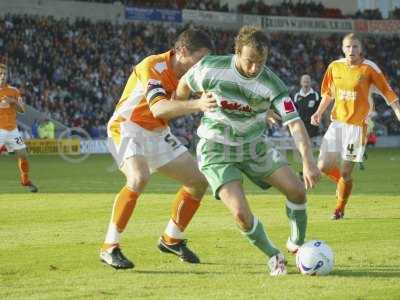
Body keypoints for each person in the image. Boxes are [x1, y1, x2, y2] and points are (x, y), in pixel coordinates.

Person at [176, 26, 321, 276]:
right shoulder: (211, 67)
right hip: (215, 149)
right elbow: (182, 88)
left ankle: (296, 244)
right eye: (249, 61)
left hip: (254, 146)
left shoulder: (272, 84)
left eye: (261, 62)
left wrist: (308, 161)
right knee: (242, 215)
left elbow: (295, 123)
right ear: (236, 52)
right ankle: (274, 256)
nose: (255, 68)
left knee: (297, 191)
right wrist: (195, 104)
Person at [100, 28, 217, 269]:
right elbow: (159, 109)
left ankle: (171, 239)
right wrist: (198, 104)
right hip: (127, 127)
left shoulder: (190, 74)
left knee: (198, 181)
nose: (201, 66)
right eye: (199, 59)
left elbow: (216, 95)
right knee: (138, 177)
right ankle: (109, 247)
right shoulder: (152, 65)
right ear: (183, 51)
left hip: (157, 133)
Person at [311, 33, 400, 220]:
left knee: (345, 171)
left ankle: (339, 208)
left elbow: (388, 94)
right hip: (337, 124)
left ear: (361, 49)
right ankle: (341, 185)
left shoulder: (369, 69)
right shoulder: (334, 67)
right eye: (348, 47)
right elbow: (328, 93)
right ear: (343, 48)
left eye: (355, 47)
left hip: (358, 127)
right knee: (323, 166)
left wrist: (398, 112)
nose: (352, 50)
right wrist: (319, 112)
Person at [0, 61, 38, 192]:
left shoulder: (14, 91)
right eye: (0, 73)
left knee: (23, 155)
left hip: (12, 130)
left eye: (5, 73)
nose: (3, 76)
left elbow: (22, 110)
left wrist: (13, 102)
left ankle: (25, 180)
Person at [294, 74, 320, 140]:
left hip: (312, 126)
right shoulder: (296, 96)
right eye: (304, 81)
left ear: (310, 82)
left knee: (312, 147)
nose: (306, 83)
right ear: (301, 82)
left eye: (307, 82)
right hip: (300, 125)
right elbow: (293, 111)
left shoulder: (316, 95)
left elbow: (319, 110)